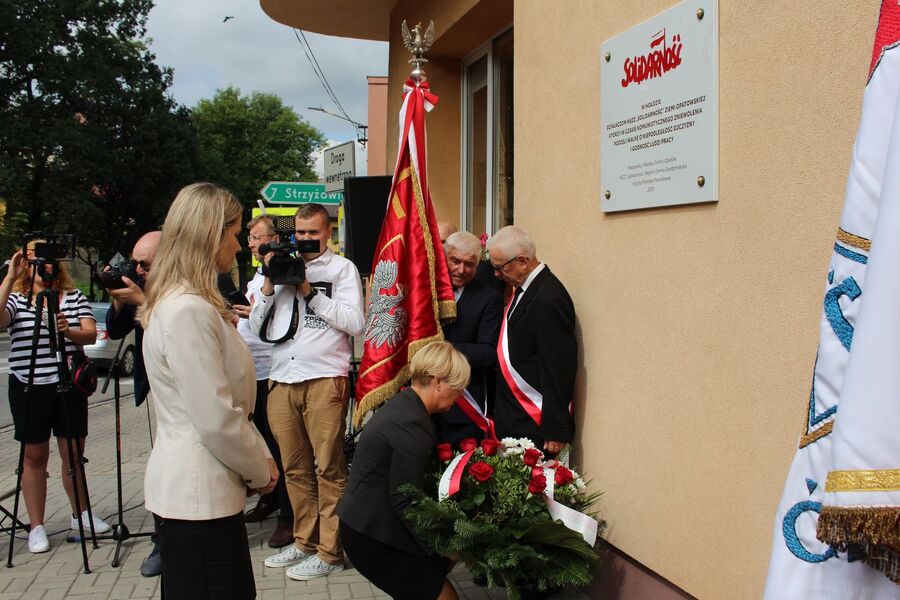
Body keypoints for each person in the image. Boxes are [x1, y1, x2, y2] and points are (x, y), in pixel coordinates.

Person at [140, 182, 277, 599]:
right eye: (235, 233)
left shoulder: (188, 304)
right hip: (199, 495)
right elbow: (215, 417)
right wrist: (261, 467)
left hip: (204, 489)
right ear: (210, 234)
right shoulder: (186, 310)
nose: (239, 246)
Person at [250, 203, 364, 581]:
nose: (305, 240)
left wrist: (308, 291)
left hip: (324, 378)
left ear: (328, 232)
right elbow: (254, 326)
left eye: (313, 233)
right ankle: (304, 541)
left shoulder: (341, 269)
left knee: (329, 467)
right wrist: (269, 284)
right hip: (282, 378)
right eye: (299, 233)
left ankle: (331, 551)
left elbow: (355, 322)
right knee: (294, 469)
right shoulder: (276, 264)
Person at [337, 341, 470, 600]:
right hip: (373, 537)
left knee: (431, 577)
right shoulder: (412, 423)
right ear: (438, 381)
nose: (460, 395)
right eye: (458, 387)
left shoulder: (405, 405)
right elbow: (404, 498)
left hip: (364, 525)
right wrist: (440, 545)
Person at [0, 243, 110, 554]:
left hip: (68, 383)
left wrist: (68, 330)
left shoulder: (72, 296)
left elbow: (90, 333)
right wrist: (10, 277)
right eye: (37, 260)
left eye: (50, 261)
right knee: (34, 457)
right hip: (28, 385)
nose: (45, 266)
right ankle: (36, 526)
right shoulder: (17, 298)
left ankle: (81, 514)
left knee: (73, 454)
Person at [486, 226, 577, 457]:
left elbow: (558, 367)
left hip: (534, 424)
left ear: (523, 261)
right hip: (514, 417)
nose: (496, 275)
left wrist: (556, 429)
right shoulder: (523, 288)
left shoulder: (549, 298)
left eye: (499, 268)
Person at [105, 230, 163, 576]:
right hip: (154, 384)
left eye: (145, 263)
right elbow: (114, 331)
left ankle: (169, 539)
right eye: (134, 262)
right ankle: (164, 536)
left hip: (181, 383)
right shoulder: (138, 287)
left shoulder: (180, 286)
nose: (137, 269)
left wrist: (143, 299)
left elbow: (170, 327)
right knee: (159, 467)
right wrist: (118, 298)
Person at [233, 214, 293, 548]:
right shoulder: (255, 275)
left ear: (273, 238)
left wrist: (253, 312)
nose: (251, 244)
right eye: (250, 238)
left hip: (273, 368)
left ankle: (288, 513)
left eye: (256, 237)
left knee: (279, 444)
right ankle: (269, 500)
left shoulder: (281, 270)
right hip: (250, 369)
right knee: (262, 441)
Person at [435, 231, 502, 446]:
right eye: (455, 261)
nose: (461, 270)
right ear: (444, 257)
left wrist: (440, 349)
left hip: (463, 406)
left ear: (479, 264)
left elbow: (487, 353)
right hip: (424, 402)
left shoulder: (488, 298)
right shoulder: (426, 291)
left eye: (469, 264)